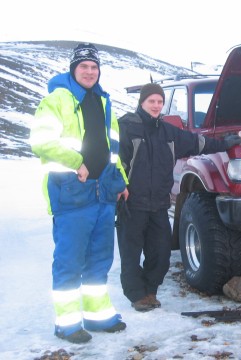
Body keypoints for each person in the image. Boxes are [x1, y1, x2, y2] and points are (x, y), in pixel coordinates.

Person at [29, 43, 129, 344]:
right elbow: (41, 142)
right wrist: (77, 163)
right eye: (83, 66)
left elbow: (112, 150)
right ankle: (67, 323)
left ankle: (97, 317)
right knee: (70, 260)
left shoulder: (103, 101)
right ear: (73, 69)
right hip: (71, 191)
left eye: (94, 67)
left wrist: (121, 180)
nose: (89, 72)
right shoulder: (57, 99)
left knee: (100, 259)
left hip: (103, 192)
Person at [116, 83, 241, 312]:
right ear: (142, 102)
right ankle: (137, 295)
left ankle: (150, 289)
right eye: (151, 101)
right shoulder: (126, 126)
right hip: (132, 203)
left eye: (159, 102)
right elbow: (116, 160)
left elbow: (198, 143)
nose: (155, 105)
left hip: (158, 204)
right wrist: (118, 187)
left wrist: (225, 144)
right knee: (130, 251)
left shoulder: (168, 132)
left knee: (161, 251)